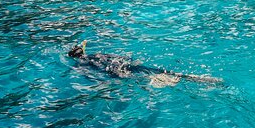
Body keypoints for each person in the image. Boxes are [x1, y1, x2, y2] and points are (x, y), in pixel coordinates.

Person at [67, 41, 223, 86]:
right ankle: (194, 77)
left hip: (115, 71)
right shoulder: (97, 54)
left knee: (143, 77)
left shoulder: (81, 65)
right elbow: (118, 56)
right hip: (122, 63)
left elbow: (93, 76)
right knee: (153, 70)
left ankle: (153, 80)